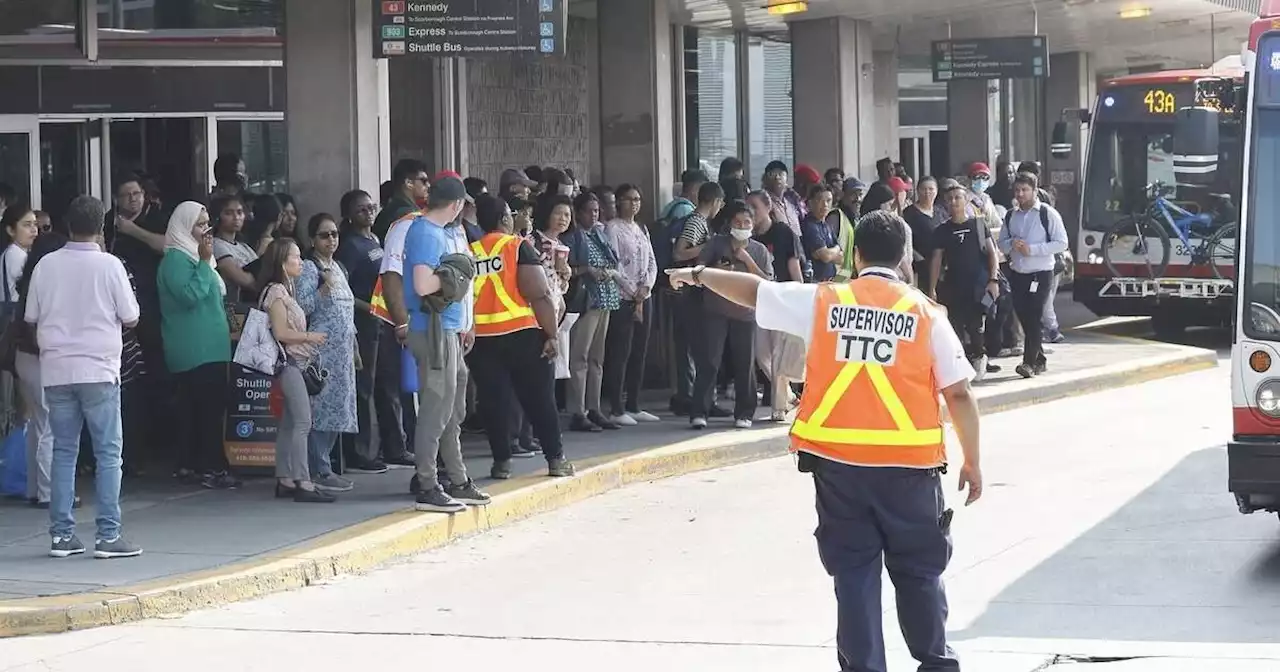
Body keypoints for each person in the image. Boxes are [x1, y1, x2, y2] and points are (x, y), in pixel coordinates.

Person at [666, 209, 982, 672]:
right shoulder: (924, 314)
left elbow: (754, 292)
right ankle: (935, 663)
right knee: (918, 571)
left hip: (840, 470)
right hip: (910, 472)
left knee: (854, 575)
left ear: (856, 255)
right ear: (902, 259)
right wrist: (972, 461)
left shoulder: (824, 301)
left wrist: (696, 273)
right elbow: (958, 393)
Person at [26, 196, 144, 559]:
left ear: (66, 223)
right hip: (99, 370)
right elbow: (131, 316)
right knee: (109, 454)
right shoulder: (110, 266)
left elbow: (31, 316)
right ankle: (108, 536)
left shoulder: (46, 265)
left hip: (57, 370)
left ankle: (62, 536)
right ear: (102, 226)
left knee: (64, 452)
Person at [467, 194, 576, 480]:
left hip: (482, 339)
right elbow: (538, 292)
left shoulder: (470, 251)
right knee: (540, 399)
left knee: (494, 401)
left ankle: (501, 462)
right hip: (523, 335)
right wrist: (551, 334)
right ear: (505, 219)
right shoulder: (517, 246)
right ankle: (556, 459)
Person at [402, 173, 492, 512]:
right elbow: (423, 285)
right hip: (433, 330)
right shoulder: (426, 233)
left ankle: (458, 479)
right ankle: (427, 484)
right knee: (436, 411)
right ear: (455, 205)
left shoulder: (435, 232)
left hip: (447, 330)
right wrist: (458, 273)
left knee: (453, 411)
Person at [157, 202, 237, 489]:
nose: (206, 231)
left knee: (200, 409)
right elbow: (190, 296)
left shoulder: (193, 257)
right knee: (208, 411)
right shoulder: (177, 260)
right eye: (200, 225)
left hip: (210, 347)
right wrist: (204, 262)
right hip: (195, 349)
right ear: (184, 226)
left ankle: (191, 464)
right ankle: (211, 468)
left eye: (207, 224)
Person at [257, 239, 334, 503]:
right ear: (282, 261)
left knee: (290, 423)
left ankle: (285, 478)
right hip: (289, 362)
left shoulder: (284, 290)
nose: (300, 262)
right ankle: (304, 481)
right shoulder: (277, 292)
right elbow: (281, 333)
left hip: (293, 363)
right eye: (296, 257)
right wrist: (310, 337)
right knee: (303, 422)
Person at [336, 190, 406, 472]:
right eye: (361, 209)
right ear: (350, 215)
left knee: (389, 385)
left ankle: (394, 447)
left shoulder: (376, 240)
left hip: (385, 322)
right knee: (364, 387)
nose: (368, 212)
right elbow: (344, 290)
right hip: (364, 323)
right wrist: (371, 309)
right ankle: (363, 451)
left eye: (371, 207)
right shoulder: (349, 246)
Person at [691, 200, 771, 430]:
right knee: (710, 361)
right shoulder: (717, 244)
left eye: (747, 222)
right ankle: (700, 411)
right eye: (738, 222)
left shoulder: (759, 250)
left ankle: (745, 412)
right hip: (715, 310)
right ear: (730, 224)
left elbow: (768, 281)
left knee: (744, 363)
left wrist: (747, 261)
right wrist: (718, 271)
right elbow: (700, 269)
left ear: (753, 224)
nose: (742, 225)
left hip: (745, 312)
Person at [297, 214, 359, 493]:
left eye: (334, 234)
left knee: (338, 411)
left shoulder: (338, 267)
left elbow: (347, 311)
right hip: (322, 352)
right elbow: (301, 307)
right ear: (312, 240)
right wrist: (323, 288)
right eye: (324, 235)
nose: (331, 239)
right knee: (321, 411)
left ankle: (326, 465)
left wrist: (355, 347)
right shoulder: (311, 269)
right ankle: (319, 467)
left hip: (343, 351)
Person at [928, 183, 1001, 380]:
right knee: (955, 326)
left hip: (978, 284)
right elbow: (936, 260)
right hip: (953, 285)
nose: (954, 202)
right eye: (950, 199)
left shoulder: (978, 224)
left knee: (976, 325)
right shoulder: (942, 231)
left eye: (957, 198)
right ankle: (963, 363)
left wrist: (993, 280)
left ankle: (980, 356)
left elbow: (992, 254)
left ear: (966, 200)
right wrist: (932, 288)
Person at [999, 172, 1068, 379]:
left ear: (1034, 191)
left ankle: (1028, 363)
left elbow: (1061, 242)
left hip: (1041, 273)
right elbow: (1002, 242)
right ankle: (1039, 359)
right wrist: (1012, 245)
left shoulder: (1047, 214)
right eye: (1017, 190)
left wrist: (1034, 249)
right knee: (1023, 316)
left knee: (1034, 317)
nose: (1020, 194)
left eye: (1024, 190)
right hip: (1019, 273)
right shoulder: (1011, 215)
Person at [564, 192, 622, 432]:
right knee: (580, 357)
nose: (594, 214)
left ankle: (594, 407)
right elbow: (568, 268)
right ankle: (577, 410)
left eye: (597, 210)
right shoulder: (573, 237)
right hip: (586, 298)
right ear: (578, 213)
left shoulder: (598, 233)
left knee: (597, 358)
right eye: (589, 210)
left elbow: (613, 260)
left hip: (605, 297)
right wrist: (587, 269)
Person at [602, 184, 658, 426]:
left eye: (637, 199)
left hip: (643, 297)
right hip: (623, 297)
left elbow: (652, 262)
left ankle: (634, 403)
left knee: (639, 351)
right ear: (618, 201)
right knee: (620, 352)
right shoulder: (612, 228)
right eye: (628, 199)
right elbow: (614, 265)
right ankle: (616, 406)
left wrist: (646, 288)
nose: (634, 203)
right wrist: (632, 291)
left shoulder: (641, 228)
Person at [13, 215, 58, 509]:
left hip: (23, 358)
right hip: (39, 357)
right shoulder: (45, 284)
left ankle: (34, 488)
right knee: (48, 425)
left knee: (36, 425)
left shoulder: (28, 280)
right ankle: (47, 491)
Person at [669, 181, 725, 416]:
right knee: (698, 348)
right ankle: (695, 399)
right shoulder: (695, 222)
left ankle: (701, 399)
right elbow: (680, 252)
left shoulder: (701, 222)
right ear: (714, 201)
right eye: (720, 204)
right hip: (691, 293)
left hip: (695, 290)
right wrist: (708, 248)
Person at [748, 190, 804, 422]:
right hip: (761, 300)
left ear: (768, 207)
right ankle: (789, 395)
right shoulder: (749, 237)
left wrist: (800, 295)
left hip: (784, 298)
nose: (751, 212)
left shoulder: (782, 232)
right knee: (762, 355)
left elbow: (794, 266)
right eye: (748, 206)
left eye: (755, 207)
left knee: (778, 354)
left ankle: (778, 407)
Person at [209, 194, 259, 301]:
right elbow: (238, 277)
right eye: (228, 213)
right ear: (217, 217)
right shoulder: (215, 244)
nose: (236, 217)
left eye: (239, 212)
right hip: (234, 306)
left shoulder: (245, 247)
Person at [374, 159, 430, 240]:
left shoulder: (393, 209)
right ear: (409, 183)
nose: (428, 185)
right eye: (424, 181)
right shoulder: (405, 213)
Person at [903, 176, 942, 288]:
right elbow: (905, 239)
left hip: (940, 265)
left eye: (931, 189)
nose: (927, 192)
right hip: (920, 266)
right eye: (923, 189)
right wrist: (919, 259)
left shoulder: (940, 211)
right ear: (917, 191)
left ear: (936, 191)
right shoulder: (909, 213)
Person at [801, 184, 842, 283]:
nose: (825, 205)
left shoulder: (826, 225)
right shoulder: (809, 226)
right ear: (810, 203)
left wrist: (832, 252)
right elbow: (825, 256)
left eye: (828, 201)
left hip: (830, 281)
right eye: (820, 200)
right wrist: (836, 249)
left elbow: (841, 258)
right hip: (815, 282)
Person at [763, 161, 801, 238]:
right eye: (772, 174)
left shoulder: (791, 202)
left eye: (781, 174)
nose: (777, 177)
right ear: (765, 180)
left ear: (787, 179)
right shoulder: (763, 202)